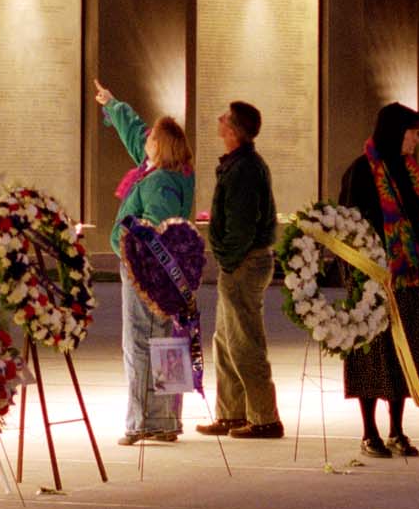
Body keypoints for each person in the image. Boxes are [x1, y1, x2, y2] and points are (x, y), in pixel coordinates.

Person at [340, 102, 419, 458]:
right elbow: (350, 225)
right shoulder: (362, 172)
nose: (417, 140)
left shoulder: (410, 171)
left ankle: (397, 430)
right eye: (413, 132)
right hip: (372, 281)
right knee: (372, 354)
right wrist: (370, 269)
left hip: (409, 280)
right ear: (395, 131)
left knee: (407, 353)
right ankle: (369, 431)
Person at [94, 79, 197, 445]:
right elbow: (135, 134)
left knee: (141, 342)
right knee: (167, 342)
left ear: (161, 148)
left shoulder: (159, 185)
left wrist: (127, 238)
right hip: (163, 275)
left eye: (153, 138)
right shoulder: (165, 172)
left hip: (147, 275)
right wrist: (113, 103)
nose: (146, 139)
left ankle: (142, 422)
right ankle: (165, 420)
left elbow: (154, 231)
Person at [197, 100, 283, 439]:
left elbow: (242, 227)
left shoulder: (245, 169)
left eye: (223, 118)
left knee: (245, 341)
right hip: (240, 262)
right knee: (226, 340)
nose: (218, 120)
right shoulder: (239, 164)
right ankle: (232, 412)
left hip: (244, 263)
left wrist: (226, 257)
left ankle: (264, 417)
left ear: (233, 131)